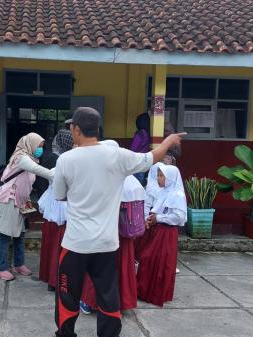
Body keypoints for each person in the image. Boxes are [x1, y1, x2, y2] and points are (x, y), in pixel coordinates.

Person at [52, 107, 184, 337]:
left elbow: (59, 195)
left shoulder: (66, 159)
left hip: (75, 244)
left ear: (76, 129)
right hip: (106, 244)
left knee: (67, 294)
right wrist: (168, 140)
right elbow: (151, 157)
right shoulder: (118, 156)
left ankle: (66, 334)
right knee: (108, 295)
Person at [79, 140, 144, 315]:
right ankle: (120, 303)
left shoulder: (102, 178)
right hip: (125, 235)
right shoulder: (132, 180)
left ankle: (90, 302)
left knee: (98, 268)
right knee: (122, 268)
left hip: (104, 232)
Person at [0, 133, 54, 281]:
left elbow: (26, 183)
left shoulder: (32, 159)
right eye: (38, 146)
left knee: (20, 234)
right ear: (29, 144)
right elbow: (42, 172)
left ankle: (19, 264)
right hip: (7, 200)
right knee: (5, 235)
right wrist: (57, 173)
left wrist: (27, 200)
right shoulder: (21, 158)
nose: (40, 149)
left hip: (21, 202)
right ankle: (1, 268)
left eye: (42, 146)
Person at [137, 164, 186, 307]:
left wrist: (158, 218)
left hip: (167, 233)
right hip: (157, 231)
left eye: (161, 176)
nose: (158, 178)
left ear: (170, 178)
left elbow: (178, 217)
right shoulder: (164, 192)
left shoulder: (177, 195)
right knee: (148, 260)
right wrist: (152, 219)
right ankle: (144, 291)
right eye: (158, 175)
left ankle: (155, 293)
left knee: (159, 262)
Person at [37, 130, 74, 291]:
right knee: (59, 245)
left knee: (52, 245)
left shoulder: (60, 158)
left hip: (53, 205)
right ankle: (56, 280)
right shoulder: (63, 159)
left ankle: (50, 276)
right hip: (61, 207)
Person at [130, 113, 151, 185]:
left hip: (137, 161)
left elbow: (133, 148)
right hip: (144, 161)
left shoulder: (140, 133)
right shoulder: (147, 133)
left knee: (135, 184)